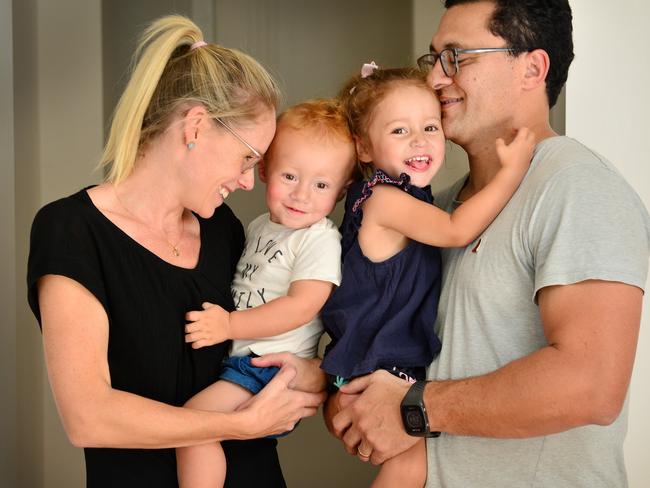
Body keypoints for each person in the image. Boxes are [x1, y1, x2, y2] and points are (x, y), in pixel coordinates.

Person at [328, 1, 650, 487]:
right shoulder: (432, 207)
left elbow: (591, 387)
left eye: (457, 57)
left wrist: (412, 408)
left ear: (532, 68)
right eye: (433, 58)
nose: (435, 79)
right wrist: (354, 397)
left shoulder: (577, 187)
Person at [26, 15, 326, 488]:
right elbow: (88, 417)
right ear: (197, 126)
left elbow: (271, 339)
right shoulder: (71, 232)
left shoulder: (224, 229)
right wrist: (237, 425)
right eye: (247, 157)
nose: (250, 180)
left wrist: (309, 373)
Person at [320, 64, 533, 487]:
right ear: (363, 147)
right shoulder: (383, 200)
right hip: (379, 360)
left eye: (430, 127)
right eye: (399, 131)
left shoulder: (411, 198)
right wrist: (512, 172)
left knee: (412, 465)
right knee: (409, 465)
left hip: (382, 356)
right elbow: (456, 231)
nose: (420, 140)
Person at [175, 99, 357, 487]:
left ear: (341, 193)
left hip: (268, 367)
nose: (301, 195)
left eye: (321, 185)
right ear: (263, 170)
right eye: (289, 176)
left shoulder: (318, 239)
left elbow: (301, 306)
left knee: (193, 425)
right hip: (244, 359)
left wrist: (228, 325)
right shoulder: (259, 226)